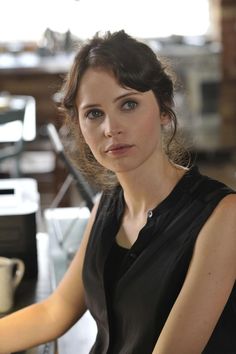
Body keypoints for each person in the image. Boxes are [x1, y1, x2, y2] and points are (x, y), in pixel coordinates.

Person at [0, 30, 235, 354]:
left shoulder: (223, 216)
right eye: (94, 113)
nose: (111, 128)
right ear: (79, 125)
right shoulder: (107, 206)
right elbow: (53, 314)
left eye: (128, 104)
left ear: (164, 109)